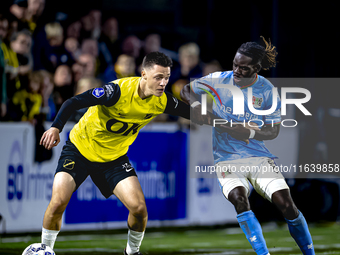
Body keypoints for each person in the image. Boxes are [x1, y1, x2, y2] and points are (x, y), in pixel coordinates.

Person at [39, 51, 190, 255]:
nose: (163, 83)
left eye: (166, 77)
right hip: (79, 150)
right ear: (143, 74)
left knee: (139, 210)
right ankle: (44, 250)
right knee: (58, 202)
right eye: (158, 77)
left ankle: (132, 252)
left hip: (113, 158)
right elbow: (73, 102)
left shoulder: (161, 101)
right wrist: (56, 127)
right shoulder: (116, 91)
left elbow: (192, 112)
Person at [180, 37, 315, 255]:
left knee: (287, 205)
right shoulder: (219, 80)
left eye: (244, 68)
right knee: (240, 200)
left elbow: (273, 131)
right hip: (226, 159)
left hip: (258, 158)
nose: (236, 70)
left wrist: (249, 131)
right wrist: (196, 104)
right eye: (235, 64)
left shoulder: (267, 90)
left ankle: (310, 253)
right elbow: (186, 89)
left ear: (256, 68)